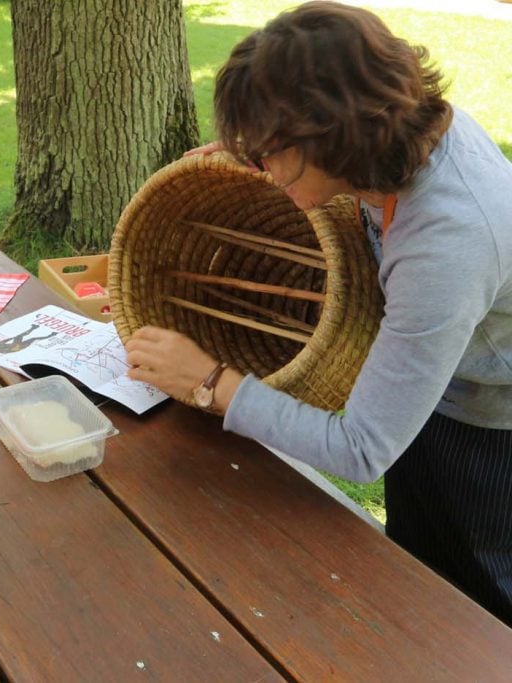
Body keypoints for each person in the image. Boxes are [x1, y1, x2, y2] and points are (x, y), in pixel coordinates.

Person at [125, 1, 512, 625]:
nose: (258, 168)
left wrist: (210, 382)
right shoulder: (397, 138)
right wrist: (252, 148)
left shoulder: (448, 241)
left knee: (481, 605)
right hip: (437, 389)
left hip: (491, 425)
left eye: (270, 150)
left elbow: (360, 449)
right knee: (416, 579)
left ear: (335, 135)